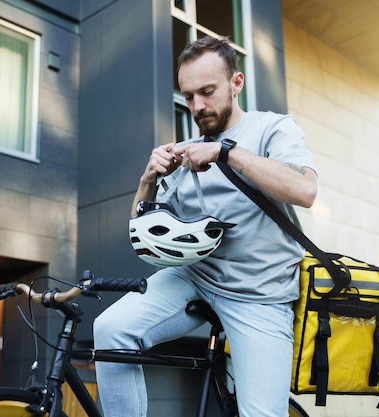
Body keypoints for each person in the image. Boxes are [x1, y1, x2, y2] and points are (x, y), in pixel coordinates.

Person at [93, 35, 318, 417]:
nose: (197, 106)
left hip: (259, 295)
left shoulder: (272, 129)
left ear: (237, 83)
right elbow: (142, 233)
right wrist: (148, 178)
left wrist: (225, 151)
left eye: (207, 92)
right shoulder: (186, 152)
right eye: (188, 95)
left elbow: (305, 189)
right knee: (110, 329)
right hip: (192, 278)